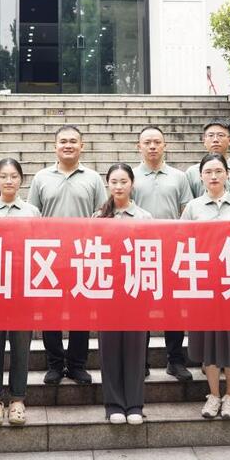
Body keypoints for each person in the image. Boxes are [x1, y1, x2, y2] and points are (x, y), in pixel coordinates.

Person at [28, 124, 107, 386]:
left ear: (82, 146)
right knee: (49, 313)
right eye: (63, 141)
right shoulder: (41, 178)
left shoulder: (93, 178)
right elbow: (32, 216)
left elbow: (102, 216)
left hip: (83, 255)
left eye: (73, 141)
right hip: (49, 257)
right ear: (55, 146)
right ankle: (54, 364)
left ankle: (76, 365)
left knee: (81, 314)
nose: (68, 145)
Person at [180, 153, 230, 420]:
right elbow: (182, 242)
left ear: (227, 174)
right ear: (200, 176)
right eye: (208, 172)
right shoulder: (193, 208)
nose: (213, 176)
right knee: (208, 341)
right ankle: (213, 395)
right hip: (204, 283)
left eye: (218, 171)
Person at [0, 157, 40, 427]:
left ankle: (17, 399)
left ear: (21, 180)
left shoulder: (32, 212)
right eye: (3, 176)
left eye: (14, 176)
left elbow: (39, 247)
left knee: (21, 346)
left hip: (22, 289)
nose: (9, 181)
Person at [131, 125, 194, 382]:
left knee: (174, 308)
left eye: (157, 142)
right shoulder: (131, 176)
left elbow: (186, 210)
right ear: (139, 146)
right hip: (140, 251)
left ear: (165, 145)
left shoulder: (179, 177)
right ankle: (140, 360)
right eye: (147, 142)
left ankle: (175, 360)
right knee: (140, 308)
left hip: (171, 251)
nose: (152, 146)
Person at [94, 163, 151, 425]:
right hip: (107, 290)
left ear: (132, 184)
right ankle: (114, 404)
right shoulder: (98, 217)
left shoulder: (144, 217)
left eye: (123, 181)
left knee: (135, 348)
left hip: (136, 289)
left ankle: (135, 404)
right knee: (109, 348)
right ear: (107, 184)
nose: (118, 186)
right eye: (114, 182)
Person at [184, 119, 230, 203]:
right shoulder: (192, 173)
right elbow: (188, 205)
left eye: (220, 135)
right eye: (211, 135)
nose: (215, 140)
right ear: (204, 141)